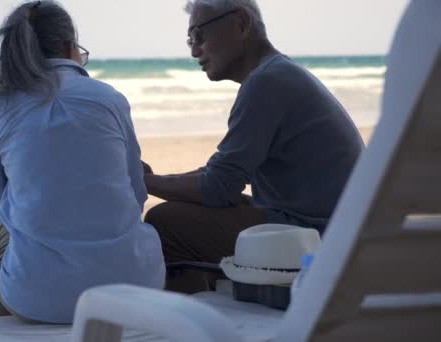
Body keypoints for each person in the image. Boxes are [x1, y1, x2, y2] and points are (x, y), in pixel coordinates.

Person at [142, 0, 364, 293]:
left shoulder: (266, 82)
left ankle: (191, 318)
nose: (195, 50)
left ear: (240, 23)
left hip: (315, 238)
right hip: (333, 229)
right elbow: (221, 173)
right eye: (190, 40)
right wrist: (159, 180)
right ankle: (213, 303)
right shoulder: (277, 74)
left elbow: (218, 188)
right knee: (186, 210)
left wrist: (145, 182)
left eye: (199, 36)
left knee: (166, 220)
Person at [0, 0, 165, 323]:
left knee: (2, 228)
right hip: (136, 288)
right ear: (68, 46)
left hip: (36, 300)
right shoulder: (110, 99)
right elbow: (137, 194)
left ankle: (5, 325)